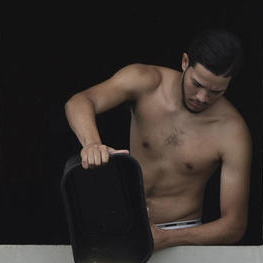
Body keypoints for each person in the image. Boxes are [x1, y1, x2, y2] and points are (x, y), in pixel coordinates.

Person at [64, 29, 252, 251]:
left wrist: (167, 239)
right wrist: (92, 143)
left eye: (216, 91)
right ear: (185, 62)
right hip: (124, 222)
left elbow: (234, 225)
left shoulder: (232, 131)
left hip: (181, 233)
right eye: (197, 84)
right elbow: (79, 102)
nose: (202, 97)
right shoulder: (146, 81)